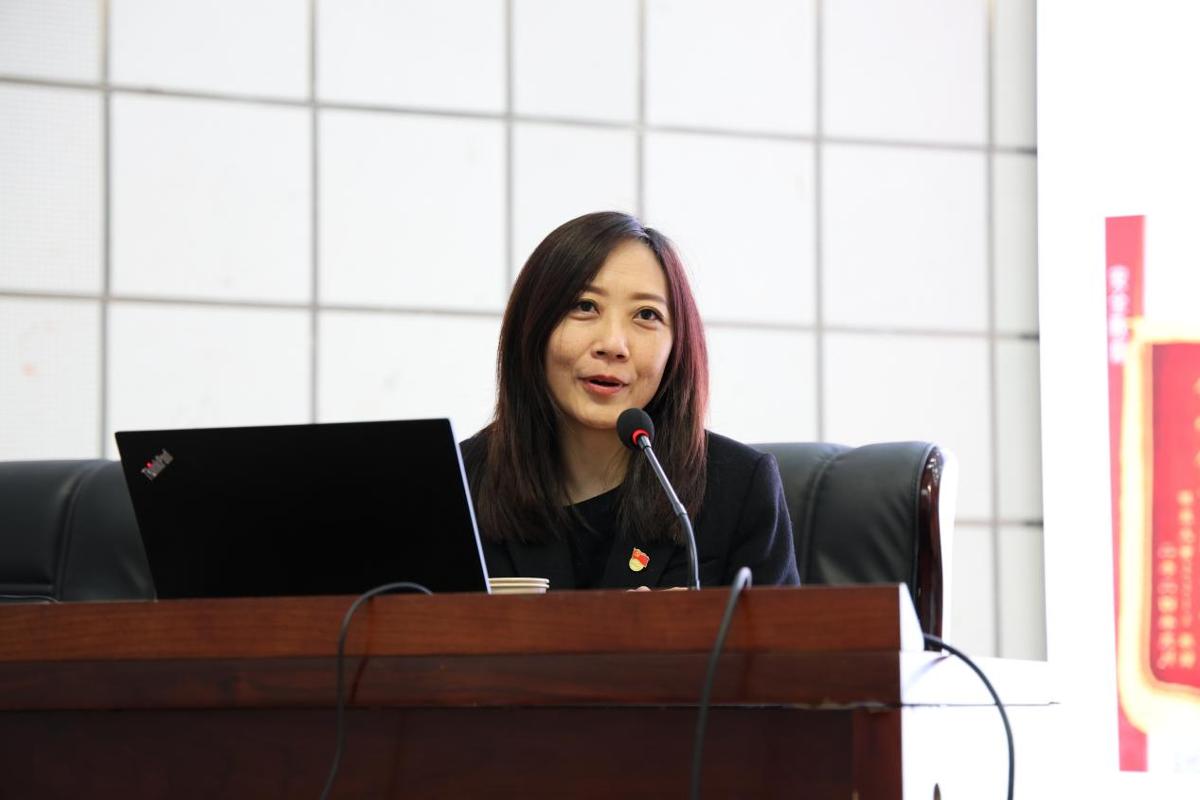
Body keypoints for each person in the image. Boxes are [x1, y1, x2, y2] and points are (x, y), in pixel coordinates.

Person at [461, 211, 799, 589]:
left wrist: (690, 625)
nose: (613, 345)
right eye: (585, 306)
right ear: (532, 326)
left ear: (676, 346)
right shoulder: (459, 486)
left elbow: (779, 630)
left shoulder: (738, 488)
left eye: (646, 314)